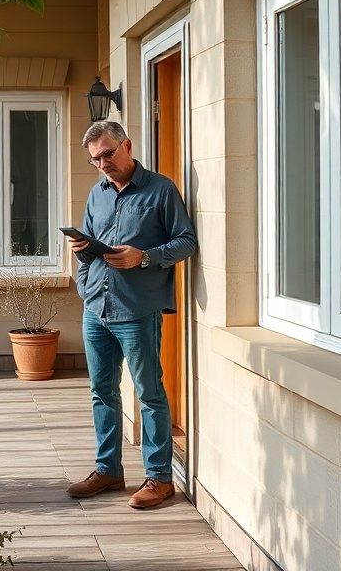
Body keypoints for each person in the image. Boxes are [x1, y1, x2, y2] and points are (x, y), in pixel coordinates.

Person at [65, 120, 197, 509]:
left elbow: (186, 240)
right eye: (95, 159)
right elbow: (90, 247)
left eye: (108, 153)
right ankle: (108, 471)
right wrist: (82, 278)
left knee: (148, 394)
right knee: (101, 393)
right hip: (96, 309)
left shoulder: (161, 190)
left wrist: (147, 257)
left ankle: (159, 478)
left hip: (137, 310)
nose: (103, 163)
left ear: (128, 146)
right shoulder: (97, 194)